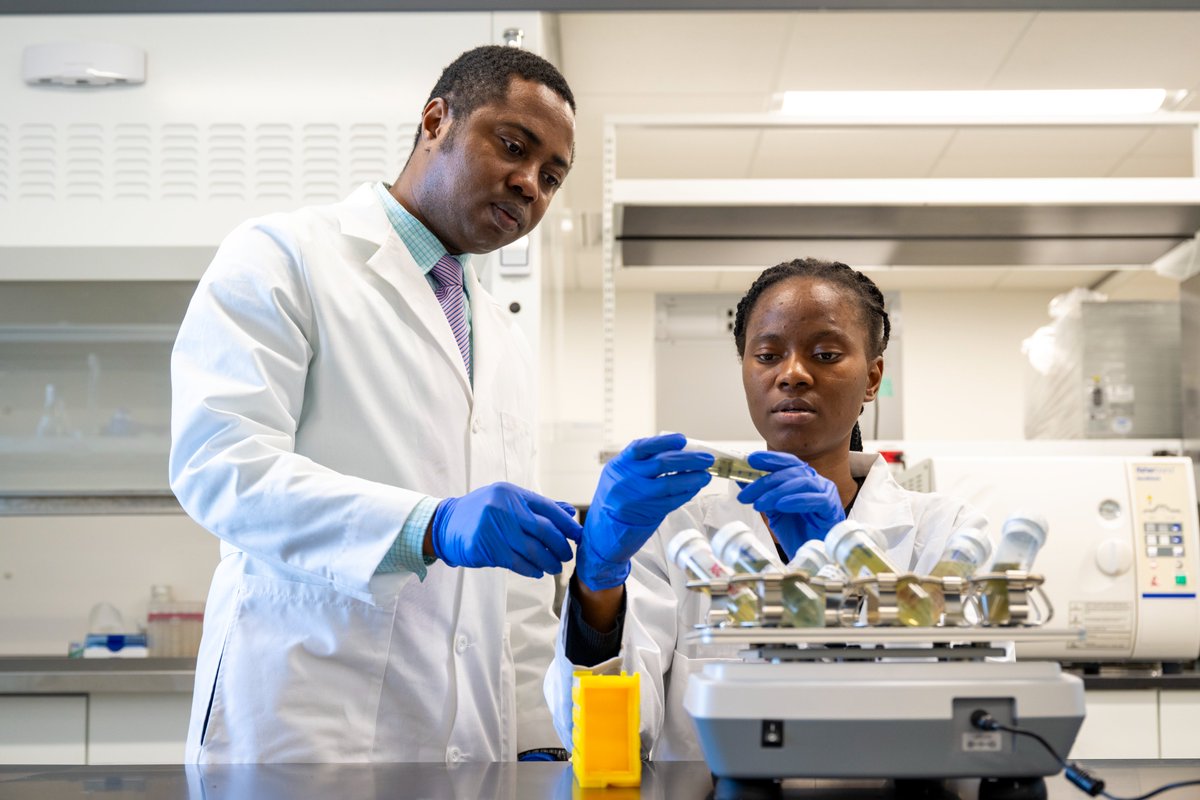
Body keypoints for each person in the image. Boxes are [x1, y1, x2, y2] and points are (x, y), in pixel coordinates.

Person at [170, 45, 580, 763]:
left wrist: (537, 734)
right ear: (435, 121)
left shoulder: (503, 336)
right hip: (307, 727)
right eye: (513, 147)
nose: (528, 186)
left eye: (551, 177)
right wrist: (428, 525)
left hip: (470, 746)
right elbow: (222, 468)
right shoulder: (282, 257)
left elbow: (512, 586)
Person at [545, 258, 988, 760]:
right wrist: (597, 580)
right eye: (767, 355)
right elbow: (602, 744)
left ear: (872, 378)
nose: (792, 374)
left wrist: (849, 566)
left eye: (824, 353)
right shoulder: (676, 530)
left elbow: (974, 723)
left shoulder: (945, 532)